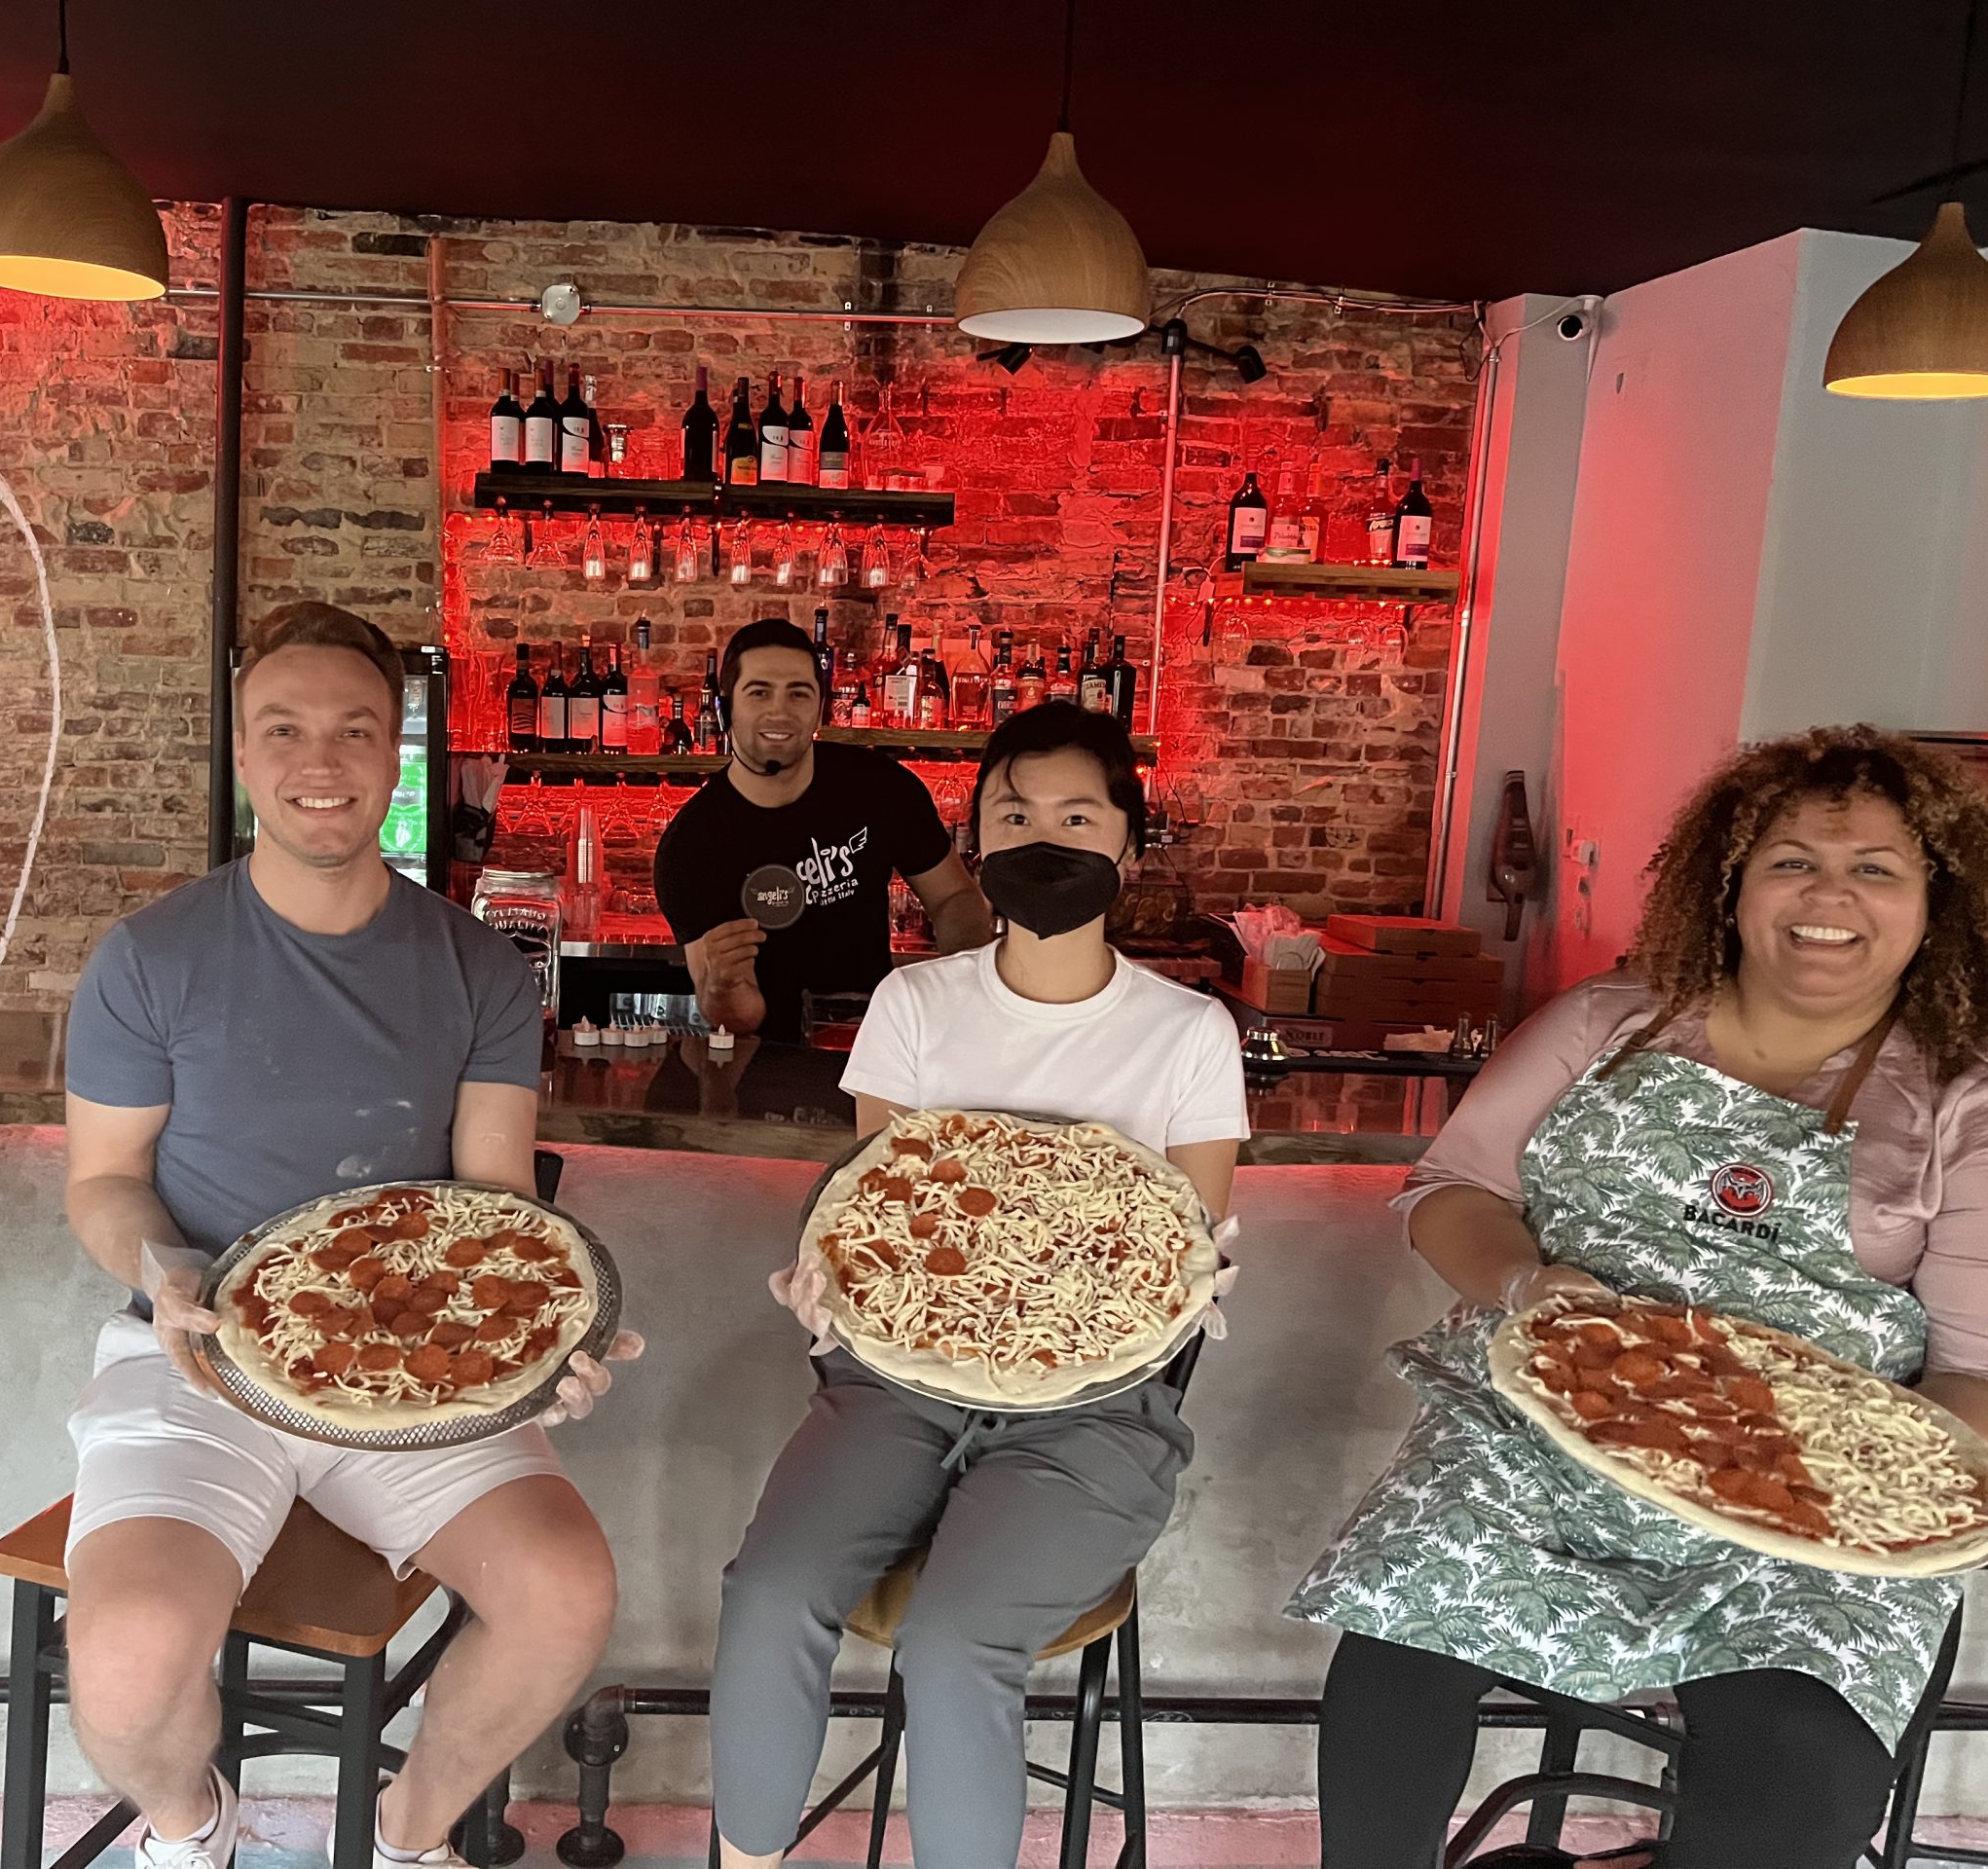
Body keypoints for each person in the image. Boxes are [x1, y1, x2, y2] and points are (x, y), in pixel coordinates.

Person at [1288, 724, 1988, 1869]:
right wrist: (1524, 1283)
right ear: (1731, 883)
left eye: (1875, 868)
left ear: (1933, 904)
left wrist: (1868, 1491)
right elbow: (1452, 1188)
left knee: (1796, 1772)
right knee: (1393, 1659)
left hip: (1805, 1497)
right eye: (1792, 861)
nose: (1829, 896)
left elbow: (1970, 1373)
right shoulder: (1607, 1021)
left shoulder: (1961, 1104)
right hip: (1537, 1435)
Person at [60, 603, 638, 1869]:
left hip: (414, 1367)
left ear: (396, 753)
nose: (319, 761)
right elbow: (102, 1182)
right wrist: (164, 1270)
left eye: (355, 730)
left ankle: (406, 1840)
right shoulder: (149, 957)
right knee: (123, 1662)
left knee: (566, 1593)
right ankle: (191, 1831)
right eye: (283, 729)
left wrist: (547, 1340)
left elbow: (495, 1205)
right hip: (199, 1356)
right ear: (241, 751)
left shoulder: (480, 967)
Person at [709, 703, 1247, 1869]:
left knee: (954, 1646)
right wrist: (823, 1273)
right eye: (1014, 814)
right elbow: (876, 1205)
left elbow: (1186, 1245)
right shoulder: (915, 1003)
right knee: (768, 1593)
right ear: (975, 840)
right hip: (895, 1383)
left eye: (1076, 817)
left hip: (1097, 1411)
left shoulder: (1189, 1031)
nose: (1042, 838)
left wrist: (1184, 1276)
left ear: (1129, 845)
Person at [653, 619, 992, 1044]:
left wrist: (962, 987)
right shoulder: (690, 847)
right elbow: (740, 1018)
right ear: (726, 710)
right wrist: (722, 987)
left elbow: (954, 897)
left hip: (873, 1044)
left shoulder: (880, 788)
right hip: (767, 1059)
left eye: (798, 693)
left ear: (820, 707)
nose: (779, 711)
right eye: (759, 693)